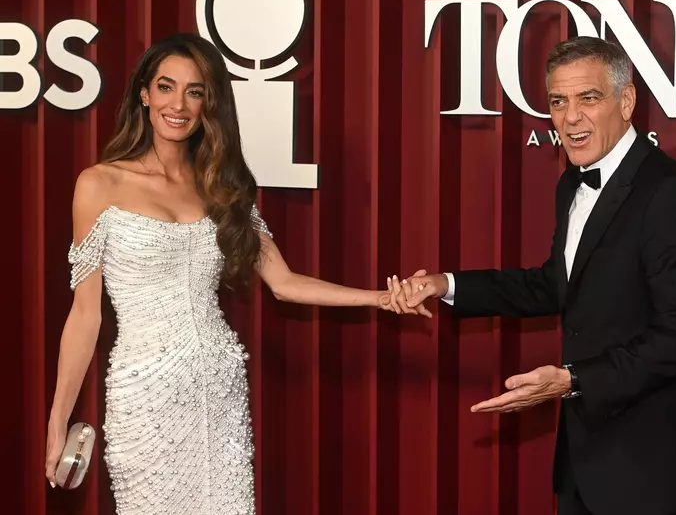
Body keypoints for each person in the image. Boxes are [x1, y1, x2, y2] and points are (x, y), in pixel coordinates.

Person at [44, 33, 426, 514]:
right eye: (166, 87)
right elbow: (85, 316)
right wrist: (58, 420)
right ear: (144, 94)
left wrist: (379, 298)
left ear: (209, 103)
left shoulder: (221, 186)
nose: (178, 105)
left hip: (219, 385)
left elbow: (285, 283)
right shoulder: (100, 184)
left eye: (194, 92)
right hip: (146, 394)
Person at [390, 36, 676, 515]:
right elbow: (554, 284)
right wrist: (447, 285)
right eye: (558, 101)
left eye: (589, 98)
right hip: (584, 461)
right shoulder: (571, 183)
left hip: (651, 464)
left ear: (626, 101)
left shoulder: (669, 190)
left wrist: (571, 380)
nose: (570, 117)